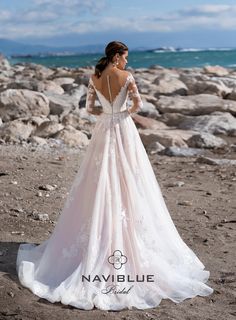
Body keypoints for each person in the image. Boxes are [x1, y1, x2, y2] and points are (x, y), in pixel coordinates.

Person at [16, 41, 214, 311]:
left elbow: (89, 108)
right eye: (126, 57)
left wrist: (106, 114)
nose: (127, 62)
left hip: (103, 130)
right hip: (122, 129)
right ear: (117, 56)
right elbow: (137, 104)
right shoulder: (126, 77)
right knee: (130, 178)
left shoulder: (95, 76)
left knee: (99, 179)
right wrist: (120, 114)